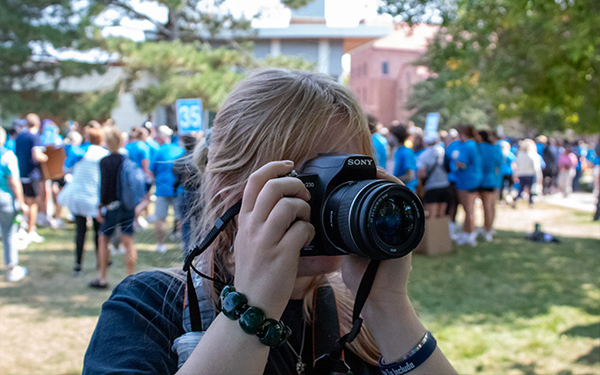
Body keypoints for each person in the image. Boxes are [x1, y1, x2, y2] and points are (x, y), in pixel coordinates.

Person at [83, 68, 456, 375]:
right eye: (311, 181)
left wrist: (388, 306)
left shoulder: (356, 318)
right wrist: (252, 310)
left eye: (350, 180)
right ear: (229, 193)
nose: (339, 202)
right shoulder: (149, 308)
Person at [57, 127, 108, 276]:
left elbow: (66, 169)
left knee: (80, 231)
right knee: (99, 232)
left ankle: (78, 264)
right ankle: (101, 262)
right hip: (95, 198)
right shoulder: (103, 154)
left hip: (79, 196)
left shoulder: (79, 152)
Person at [91, 126, 137, 289]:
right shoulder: (127, 161)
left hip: (112, 206)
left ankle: (103, 277)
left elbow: (104, 187)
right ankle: (130, 278)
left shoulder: (105, 161)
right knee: (128, 241)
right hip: (127, 205)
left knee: (103, 239)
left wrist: (99, 207)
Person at [150, 126, 185, 253]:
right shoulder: (180, 150)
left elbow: (151, 169)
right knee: (180, 216)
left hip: (162, 188)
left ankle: (160, 244)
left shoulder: (159, 151)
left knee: (160, 217)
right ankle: (182, 243)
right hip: (179, 189)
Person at [0, 127, 29, 282]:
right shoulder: (7, 156)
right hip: (5, 197)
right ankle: (12, 268)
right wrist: (22, 202)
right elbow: (14, 180)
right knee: (9, 233)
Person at [14, 113, 48, 244]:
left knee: (22, 202)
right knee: (33, 202)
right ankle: (30, 230)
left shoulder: (19, 136)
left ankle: (21, 227)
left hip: (20, 174)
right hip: (31, 174)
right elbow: (37, 156)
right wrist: (46, 158)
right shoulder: (34, 137)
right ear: (37, 124)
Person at [454, 125, 482, 246]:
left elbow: (461, 163)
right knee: (470, 209)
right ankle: (468, 232)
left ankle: (469, 234)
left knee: (468, 209)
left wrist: (454, 159)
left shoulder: (467, 145)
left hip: (466, 181)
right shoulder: (474, 144)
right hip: (474, 180)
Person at [476, 130, 502, 242]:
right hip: (493, 180)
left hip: (483, 180)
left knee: (487, 206)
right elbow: (499, 163)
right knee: (491, 206)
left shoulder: (480, 148)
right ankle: (489, 228)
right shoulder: (494, 148)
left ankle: (487, 229)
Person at [416, 133, 449, 218]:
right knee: (442, 214)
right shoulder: (443, 150)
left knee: (432, 214)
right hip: (445, 184)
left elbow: (421, 173)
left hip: (432, 186)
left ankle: (433, 231)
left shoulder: (424, 155)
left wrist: (420, 186)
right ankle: (441, 231)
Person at [514, 139, 542, 207]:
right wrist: (539, 175)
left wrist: (516, 174)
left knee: (521, 188)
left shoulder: (519, 154)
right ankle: (530, 202)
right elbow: (536, 167)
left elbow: (517, 165)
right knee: (531, 189)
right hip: (531, 174)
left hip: (521, 174)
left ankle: (516, 200)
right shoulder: (533, 154)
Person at [390, 124, 418, 191]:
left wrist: (391, 180)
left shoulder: (406, 152)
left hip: (407, 190)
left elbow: (410, 176)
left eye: (391, 135)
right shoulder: (398, 150)